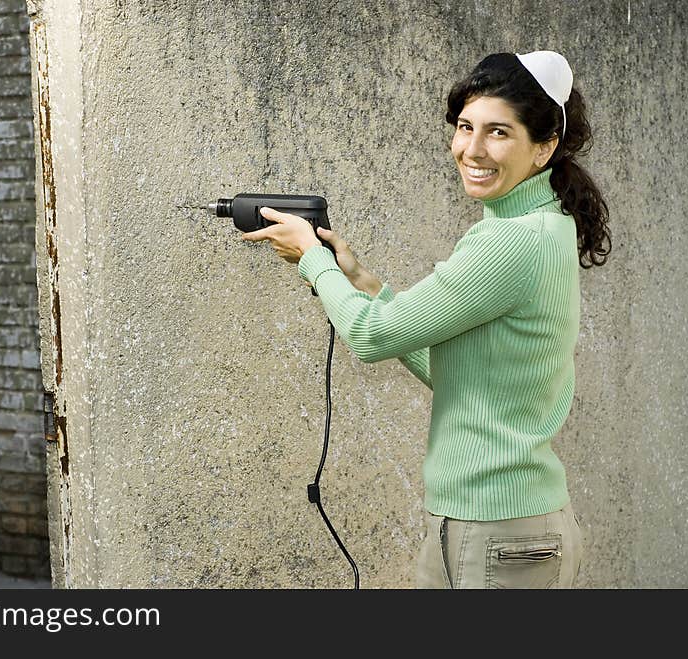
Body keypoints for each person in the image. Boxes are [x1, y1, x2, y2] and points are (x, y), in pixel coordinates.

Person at [242, 51, 611, 588]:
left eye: (499, 133)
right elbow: (461, 371)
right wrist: (361, 279)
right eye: (465, 127)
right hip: (490, 527)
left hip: (499, 532)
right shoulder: (538, 225)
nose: (472, 149)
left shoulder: (512, 241)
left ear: (544, 147)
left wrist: (313, 260)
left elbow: (370, 337)